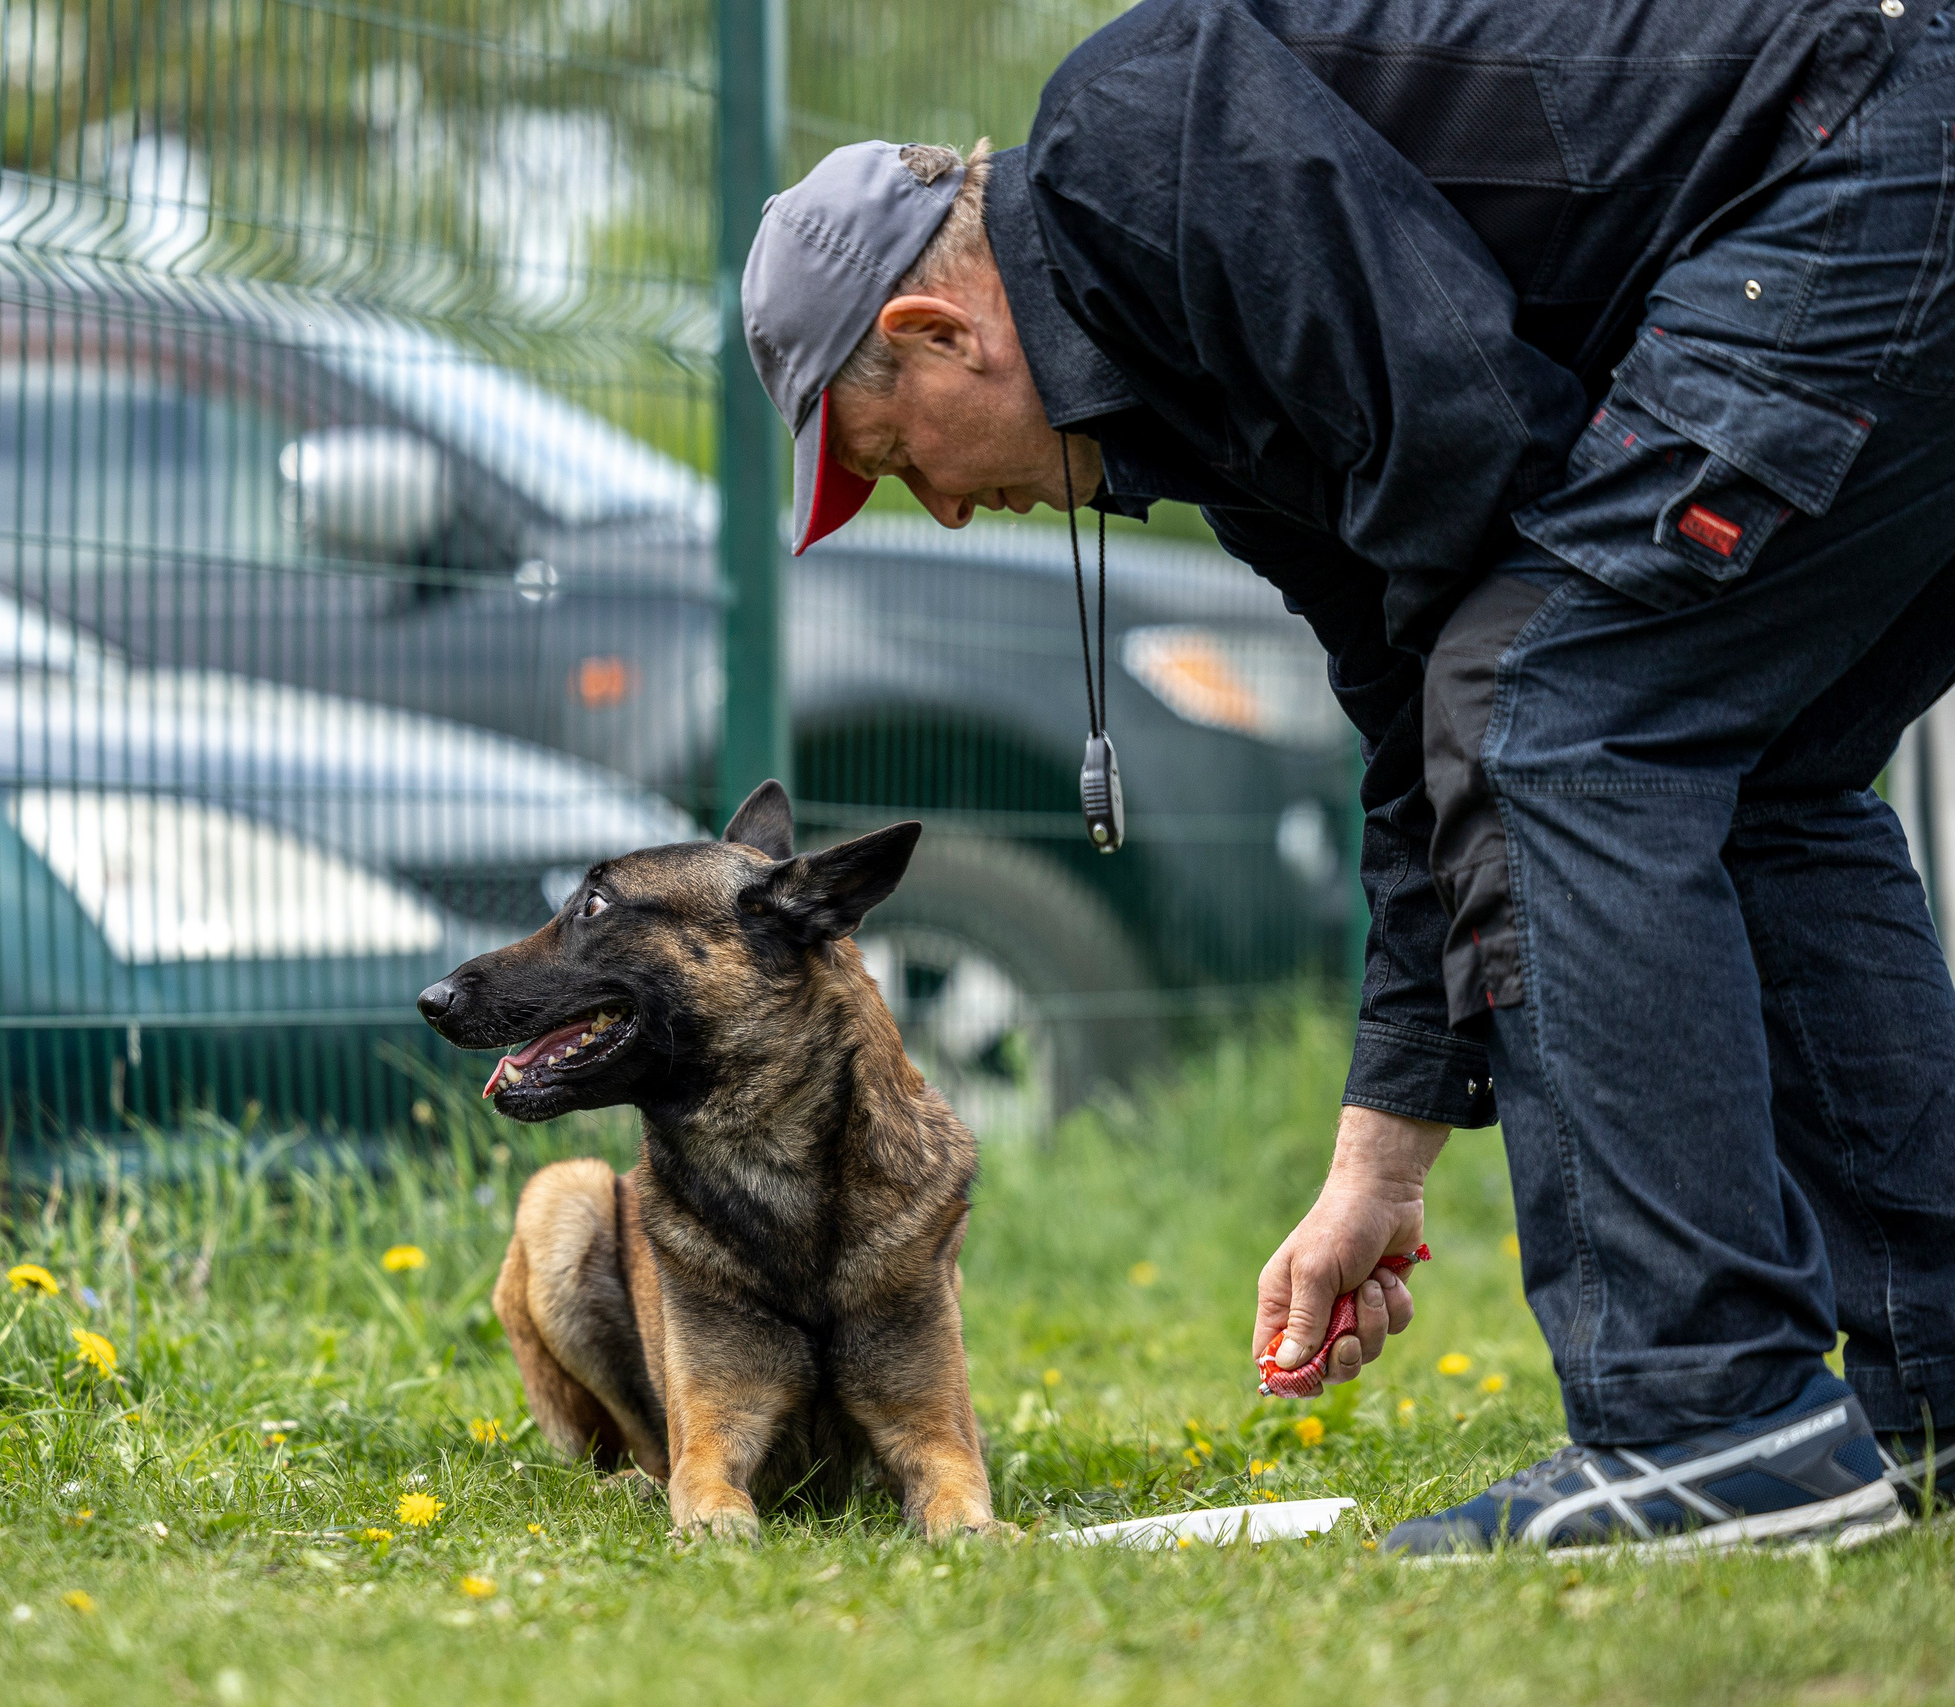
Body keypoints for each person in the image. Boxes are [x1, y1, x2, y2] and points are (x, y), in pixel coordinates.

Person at [740, 0, 1955, 1554]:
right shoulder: (1199, 376)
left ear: (934, 335)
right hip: (1882, 202)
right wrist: (1381, 1150)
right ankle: (1928, 1403)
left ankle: (1707, 1419)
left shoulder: (1139, 143)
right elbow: (1417, 725)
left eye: (900, 456)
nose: (951, 513)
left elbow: (1478, 478)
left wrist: (1495, 745)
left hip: (1866, 165)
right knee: (1738, 771)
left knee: (1565, 710)